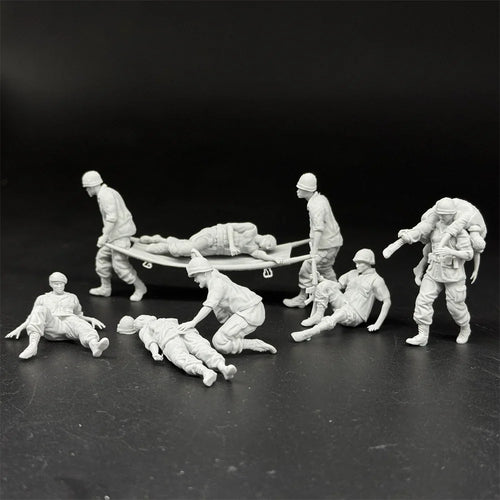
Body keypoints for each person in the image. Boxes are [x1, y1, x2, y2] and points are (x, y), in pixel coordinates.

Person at [178, 250, 277, 355]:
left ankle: (255, 344)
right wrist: (196, 256)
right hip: (250, 307)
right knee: (221, 316)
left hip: (250, 311)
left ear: (205, 273)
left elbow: (208, 306)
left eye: (195, 276)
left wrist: (193, 322)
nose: (195, 280)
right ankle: (234, 334)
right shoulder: (214, 274)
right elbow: (207, 266)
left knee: (220, 342)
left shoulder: (216, 286)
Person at [405, 198, 474, 347]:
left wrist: (451, 252)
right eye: (439, 213)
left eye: (445, 214)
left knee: (455, 306)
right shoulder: (434, 227)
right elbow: (422, 236)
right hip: (434, 271)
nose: (441, 217)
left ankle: (465, 327)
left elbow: (469, 254)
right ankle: (422, 335)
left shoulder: (460, 232)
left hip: (453, 274)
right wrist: (409, 235)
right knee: (423, 301)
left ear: (452, 214)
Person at [291, 249, 391, 342]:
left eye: (360, 263)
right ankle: (318, 315)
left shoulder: (376, 280)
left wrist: (377, 324)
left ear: (369, 263)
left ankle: (308, 333)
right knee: (324, 285)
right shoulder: (352, 273)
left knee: (340, 313)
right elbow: (337, 286)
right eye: (356, 263)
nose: (357, 266)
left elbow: (387, 301)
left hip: (355, 314)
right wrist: (321, 279)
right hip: (343, 303)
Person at [5, 272, 109, 359]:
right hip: (53, 325)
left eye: (61, 284)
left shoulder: (72, 297)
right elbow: (33, 317)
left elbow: (78, 315)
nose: (59, 286)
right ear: (51, 284)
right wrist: (19, 328)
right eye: (56, 284)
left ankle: (94, 346)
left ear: (65, 284)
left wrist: (90, 319)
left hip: (70, 324)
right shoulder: (42, 298)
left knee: (81, 325)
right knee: (40, 309)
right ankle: (32, 346)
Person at [117, 315, 238, 387]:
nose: (141, 320)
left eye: (141, 318)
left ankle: (222, 368)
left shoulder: (159, 322)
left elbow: (151, 342)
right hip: (172, 338)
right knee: (184, 355)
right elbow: (151, 342)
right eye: (138, 320)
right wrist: (155, 352)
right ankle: (207, 371)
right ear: (136, 327)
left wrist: (155, 352)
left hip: (181, 333)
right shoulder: (147, 329)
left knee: (200, 349)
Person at [82, 170, 147, 301]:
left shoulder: (106, 196)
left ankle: (140, 287)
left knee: (120, 265)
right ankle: (105, 288)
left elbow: (112, 218)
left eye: (87, 187)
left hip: (120, 236)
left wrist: (104, 236)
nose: (87, 190)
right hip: (115, 236)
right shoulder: (106, 193)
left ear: (93, 186)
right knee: (102, 258)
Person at [389, 197, 486, 284]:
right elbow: (450, 230)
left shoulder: (474, 228)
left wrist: (475, 270)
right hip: (444, 209)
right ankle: (406, 238)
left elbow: (476, 252)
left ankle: (418, 268)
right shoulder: (465, 217)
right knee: (428, 225)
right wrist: (442, 245)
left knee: (431, 248)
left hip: (449, 213)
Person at [283, 173, 343, 308]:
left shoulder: (315, 205)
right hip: (332, 241)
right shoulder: (320, 198)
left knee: (307, 268)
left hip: (327, 245)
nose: (297, 191)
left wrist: (314, 250)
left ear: (308, 190)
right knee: (326, 269)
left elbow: (318, 228)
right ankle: (340, 296)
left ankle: (302, 298)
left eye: (300, 188)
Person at [138, 222, 281, 263]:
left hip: (215, 250)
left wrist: (273, 259)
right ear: (267, 236)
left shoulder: (252, 248)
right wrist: (232, 245)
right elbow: (229, 226)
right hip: (213, 236)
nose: (268, 247)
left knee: (187, 251)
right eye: (270, 243)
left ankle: (160, 239)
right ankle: (164, 247)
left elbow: (260, 255)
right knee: (189, 249)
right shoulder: (252, 229)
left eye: (269, 248)